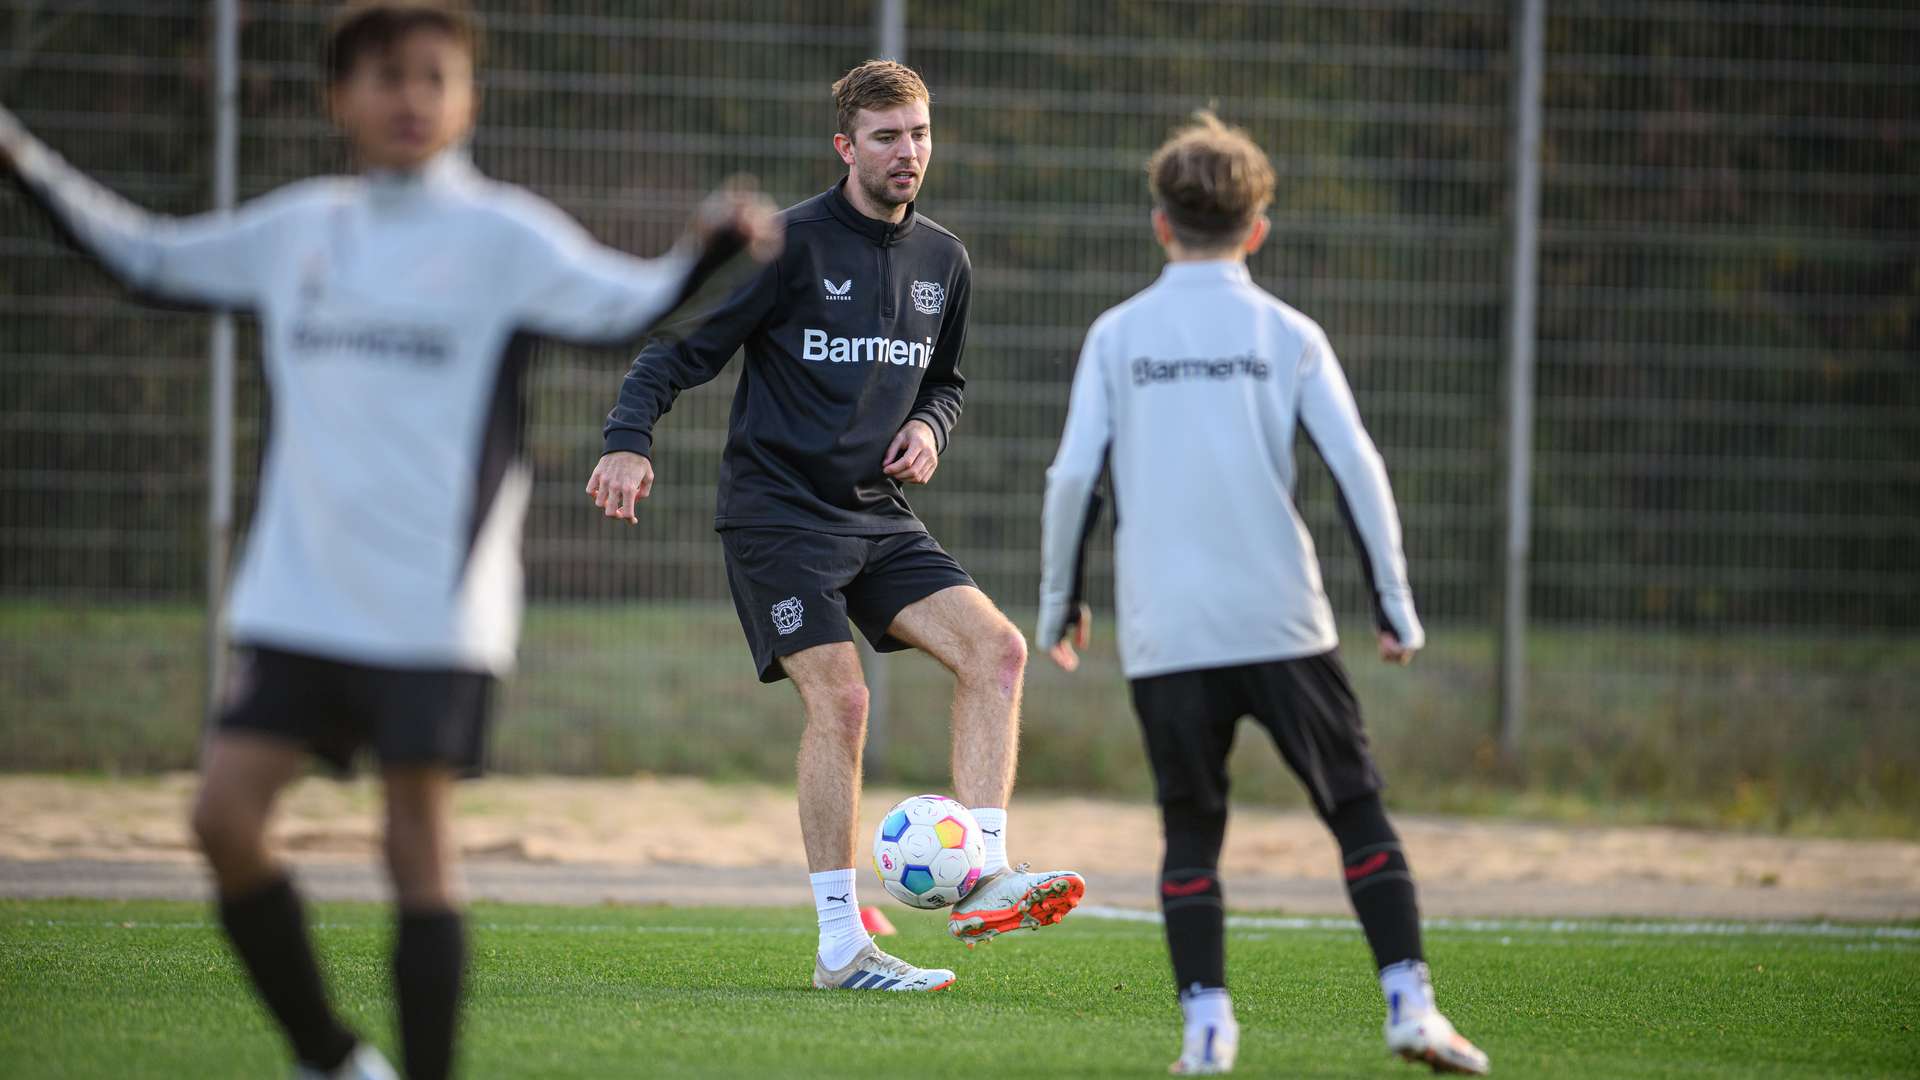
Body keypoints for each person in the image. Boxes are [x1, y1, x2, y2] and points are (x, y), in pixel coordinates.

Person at [0, 3, 780, 1077]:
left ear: (467, 98)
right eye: (382, 76)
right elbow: (145, 257)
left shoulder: (503, 236)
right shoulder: (300, 229)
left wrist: (709, 246)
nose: (409, 96)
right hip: (297, 596)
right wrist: (20, 156)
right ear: (339, 100)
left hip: (435, 606)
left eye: (432, 75)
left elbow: (628, 303)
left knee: (413, 841)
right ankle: (330, 1056)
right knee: (223, 817)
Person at [586, 60, 1084, 993]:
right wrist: (627, 441)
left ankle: (982, 878)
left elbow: (947, 382)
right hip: (777, 516)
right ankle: (840, 947)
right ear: (845, 146)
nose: (909, 152)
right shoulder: (791, 247)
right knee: (844, 702)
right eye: (888, 136)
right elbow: (676, 351)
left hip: (876, 514)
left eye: (921, 134)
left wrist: (930, 429)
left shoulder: (945, 260)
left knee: (999, 653)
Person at [1035, 112, 1490, 1076]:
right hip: (1282, 620)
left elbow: (1073, 477)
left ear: (1160, 224)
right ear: (1257, 229)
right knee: (1356, 808)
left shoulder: (1117, 336)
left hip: (1167, 630)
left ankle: (1206, 1031)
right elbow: (1357, 468)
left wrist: (1058, 602)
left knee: (1191, 830)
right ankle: (1411, 1007)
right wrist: (1395, 605)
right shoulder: (1288, 332)